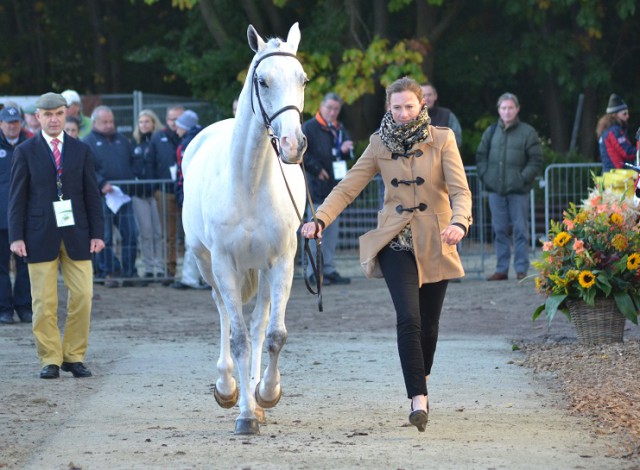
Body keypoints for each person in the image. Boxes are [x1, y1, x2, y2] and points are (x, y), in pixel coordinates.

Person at [300, 77, 472, 432]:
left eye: (409, 106)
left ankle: (419, 376)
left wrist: (460, 223)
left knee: (429, 324)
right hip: (395, 241)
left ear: (421, 105)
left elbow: (460, 190)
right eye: (396, 107)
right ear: (388, 109)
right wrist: (319, 219)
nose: (403, 113)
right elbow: (348, 187)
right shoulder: (378, 144)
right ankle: (418, 399)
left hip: (438, 240)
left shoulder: (442, 139)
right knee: (408, 318)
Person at [8, 92, 105, 379]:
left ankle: (73, 357)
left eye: (59, 113)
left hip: (78, 234)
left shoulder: (81, 150)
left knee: (84, 296)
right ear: (37, 117)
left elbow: (92, 195)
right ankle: (49, 358)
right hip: (38, 235)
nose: (53, 119)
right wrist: (16, 236)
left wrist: (97, 233)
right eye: (47, 114)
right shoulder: (24, 151)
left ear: (66, 115)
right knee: (44, 302)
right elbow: (17, 198)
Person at [476, 92, 543, 281]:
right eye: (503, 108)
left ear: (517, 109)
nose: (507, 111)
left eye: (510, 108)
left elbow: (536, 160)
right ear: (499, 110)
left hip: (518, 191)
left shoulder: (527, 132)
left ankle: (521, 268)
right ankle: (502, 269)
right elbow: (481, 157)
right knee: (499, 230)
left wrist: (522, 178)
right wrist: (487, 177)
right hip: (495, 191)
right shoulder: (490, 132)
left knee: (521, 230)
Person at [83, 105, 144, 288]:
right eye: (105, 122)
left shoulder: (123, 141)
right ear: (95, 122)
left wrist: (133, 178)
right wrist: (102, 183)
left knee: (131, 234)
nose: (109, 125)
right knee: (105, 237)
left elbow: (132, 162)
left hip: (123, 196)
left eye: (111, 121)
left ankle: (129, 272)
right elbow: (87, 169)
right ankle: (109, 272)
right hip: (101, 197)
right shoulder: (87, 142)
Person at [302, 92, 354, 286]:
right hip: (315, 188)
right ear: (321, 107)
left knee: (332, 232)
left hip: (335, 190)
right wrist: (317, 170)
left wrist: (346, 151)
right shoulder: (309, 127)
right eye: (329, 108)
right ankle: (313, 271)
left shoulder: (339, 128)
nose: (333, 112)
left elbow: (341, 156)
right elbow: (302, 153)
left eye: (336, 109)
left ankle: (329, 268)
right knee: (314, 229)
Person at [0, 106, 32, 324]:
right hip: (1, 218)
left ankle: (24, 307)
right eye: (8, 121)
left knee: (26, 265)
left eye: (16, 121)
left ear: (22, 123)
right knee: (1, 265)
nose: (12, 126)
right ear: (1, 123)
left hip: (26, 218)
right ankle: (4, 308)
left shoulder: (31, 146)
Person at [146, 105, 184, 285]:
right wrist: (155, 188)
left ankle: (195, 273)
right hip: (165, 192)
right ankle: (170, 271)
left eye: (178, 119)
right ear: (166, 120)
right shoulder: (158, 138)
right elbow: (150, 163)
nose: (175, 123)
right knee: (168, 234)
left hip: (186, 192)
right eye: (171, 119)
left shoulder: (189, 136)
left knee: (191, 234)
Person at [170, 110, 207, 290]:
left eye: (180, 125)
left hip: (191, 196)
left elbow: (184, 173)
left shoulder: (187, 144)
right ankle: (196, 277)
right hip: (198, 195)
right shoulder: (202, 139)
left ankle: (191, 278)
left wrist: (181, 194)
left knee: (193, 239)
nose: (176, 128)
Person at [131, 109, 164, 280]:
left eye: (147, 121)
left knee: (158, 232)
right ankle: (149, 266)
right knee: (146, 232)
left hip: (156, 192)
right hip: (139, 194)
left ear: (153, 123)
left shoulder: (159, 141)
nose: (143, 125)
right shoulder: (134, 143)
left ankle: (160, 265)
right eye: (141, 122)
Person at [596, 93, 636, 172]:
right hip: (616, 177)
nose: (627, 116)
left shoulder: (607, 130)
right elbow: (627, 152)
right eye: (624, 113)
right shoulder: (614, 131)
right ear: (615, 115)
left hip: (610, 175)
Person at [421, 83, 462, 148]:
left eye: (429, 95)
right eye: (423, 95)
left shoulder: (447, 115)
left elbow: (456, 140)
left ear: (435, 96)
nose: (427, 98)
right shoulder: (411, 117)